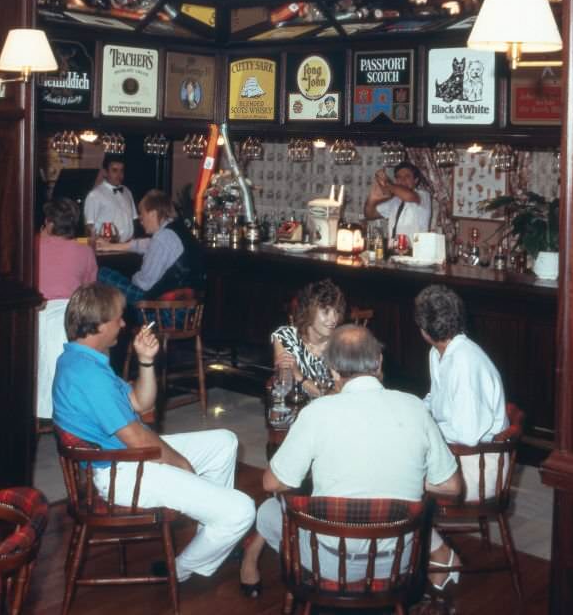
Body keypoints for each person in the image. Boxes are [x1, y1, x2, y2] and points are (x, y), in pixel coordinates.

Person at [52, 283, 255, 582]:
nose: (123, 324)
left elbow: (140, 402)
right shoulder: (88, 376)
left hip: (126, 460)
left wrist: (146, 360)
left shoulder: (81, 359)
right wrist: (181, 465)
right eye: (118, 318)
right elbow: (136, 438)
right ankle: (181, 570)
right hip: (120, 472)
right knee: (242, 510)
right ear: (98, 325)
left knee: (225, 442)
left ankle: (211, 532)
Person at [238, 325, 461, 596]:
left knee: (268, 512)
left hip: (331, 563)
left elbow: (272, 483)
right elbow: (451, 486)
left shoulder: (316, 413)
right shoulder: (415, 407)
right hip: (400, 561)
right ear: (379, 361)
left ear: (332, 370)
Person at [414, 284, 507, 590]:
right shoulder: (440, 353)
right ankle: (425, 554)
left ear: (424, 330)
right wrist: (415, 411)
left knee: (394, 474)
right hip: (459, 454)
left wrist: (424, 431)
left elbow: (466, 435)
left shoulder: (465, 362)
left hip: (478, 465)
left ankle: (439, 555)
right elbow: (436, 401)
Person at [36, 197, 99, 420]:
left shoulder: (32, 246)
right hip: (72, 316)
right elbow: (89, 289)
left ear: (48, 222)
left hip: (36, 313)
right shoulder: (84, 252)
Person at [96, 189, 204, 303]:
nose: (141, 222)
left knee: (102, 274)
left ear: (153, 214)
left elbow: (144, 284)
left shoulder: (162, 238)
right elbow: (145, 244)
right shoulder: (175, 230)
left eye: (142, 216)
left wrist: (128, 278)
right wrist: (111, 247)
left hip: (159, 308)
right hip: (183, 306)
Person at [270, 278, 345, 397]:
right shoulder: (285, 337)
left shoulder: (340, 345)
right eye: (326, 312)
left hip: (329, 412)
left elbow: (336, 397)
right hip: (294, 406)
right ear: (309, 312)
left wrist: (298, 375)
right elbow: (283, 385)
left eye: (336, 312)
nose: (333, 319)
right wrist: (284, 370)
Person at [364, 161, 432, 240]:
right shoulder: (394, 200)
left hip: (416, 250)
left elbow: (408, 196)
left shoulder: (423, 195)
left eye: (407, 177)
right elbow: (369, 214)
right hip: (394, 249)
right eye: (398, 177)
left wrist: (386, 183)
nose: (402, 180)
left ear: (416, 180)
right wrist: (371, 200)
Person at [83, 153, 137, 242]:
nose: (119, 175)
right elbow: (89, 226)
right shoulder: (95, 195)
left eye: (122, 170)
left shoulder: (127, 191)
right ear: (105, 172)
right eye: (115, 170)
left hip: (127, 247)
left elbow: (133, 221)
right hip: (106, 248)